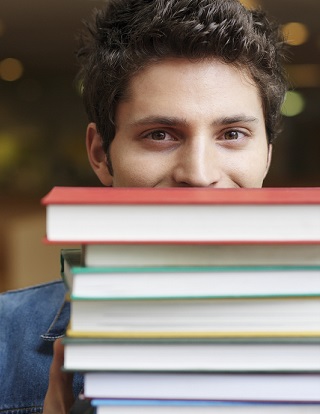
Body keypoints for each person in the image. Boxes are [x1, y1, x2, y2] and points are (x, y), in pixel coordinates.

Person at [0, 0, 287, 413]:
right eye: (159, 135)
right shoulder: (7, 339)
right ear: (101, 154)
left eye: (233, 133)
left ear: (267, 155)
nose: (199, 173)